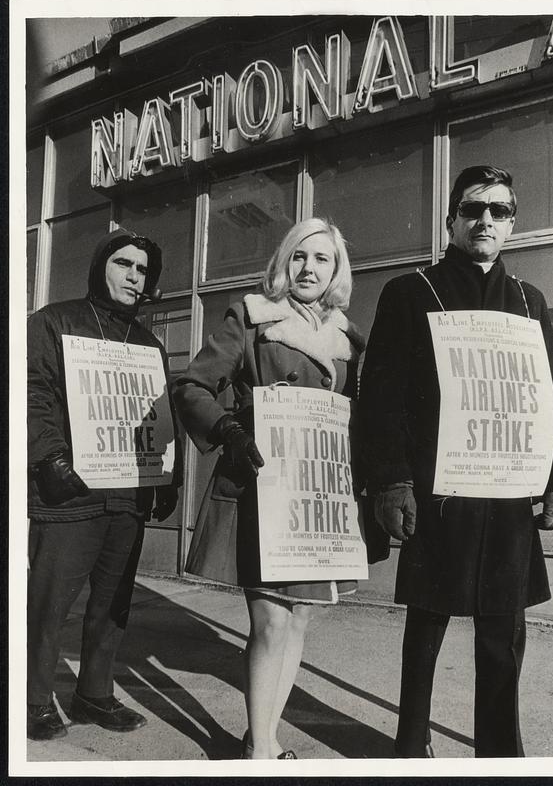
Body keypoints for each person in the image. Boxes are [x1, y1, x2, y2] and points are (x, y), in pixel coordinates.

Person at [358, 166, 553, 758]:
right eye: (473, 208)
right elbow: (381, 395)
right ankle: (410, 746)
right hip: (437, 492)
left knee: (503, 634)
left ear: (511, 223)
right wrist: (391, 480)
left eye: (499, 211)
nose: (485, 220)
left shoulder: (531, 302)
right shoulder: (410, 293)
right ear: (451, 218)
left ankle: (500, 752)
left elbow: (546, 396)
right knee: (426, 625)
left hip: (507, 495)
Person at [173, 218, 364, 759]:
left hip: (316, 493)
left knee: (299, 617)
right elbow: (191, 384)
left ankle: (265, 736)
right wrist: (228, 427)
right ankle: (260, 755)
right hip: (262, 486)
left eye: (322, 259)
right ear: (284, 263)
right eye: (299, 257)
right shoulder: (251, 317)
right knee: (272, 620)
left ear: (335, 271)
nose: (309, 268)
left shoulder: (348, 338)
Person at [27, 227, 181, 741]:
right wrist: (49, 458)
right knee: (50, 604)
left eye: (143, 270)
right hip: (69, 492)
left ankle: (94, 693)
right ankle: (31, 699)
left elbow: (159, 414)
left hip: (127, 493)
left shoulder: (149, 344)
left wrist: (165, 476)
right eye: (124, 264)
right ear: (100, 266)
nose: (135, 277)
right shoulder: (54, 322)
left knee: (112, 604)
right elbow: (31, 392)